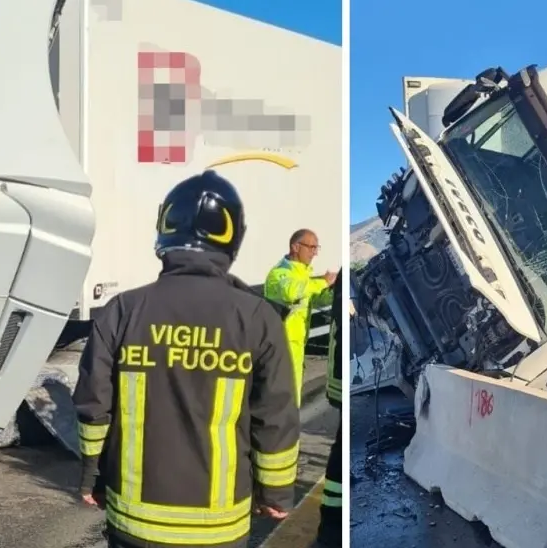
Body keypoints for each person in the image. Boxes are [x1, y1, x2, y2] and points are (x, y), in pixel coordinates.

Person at [73, 170, 302, 548]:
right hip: (219, 527)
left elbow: (93, 408)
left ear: (165, 230)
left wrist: (91, 477)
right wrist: (276, 492)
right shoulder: (258, 318)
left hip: (135, 523)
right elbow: (275, 415)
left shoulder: (122, 311)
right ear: (233, 238)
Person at [264, 229, 336, 405]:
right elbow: (291, 292)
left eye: (316, 248)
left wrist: (332, 291)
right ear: (295, 247)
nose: (314, 253)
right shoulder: (279, 273)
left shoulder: (302, 274)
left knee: (292, 392)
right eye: (311, 247)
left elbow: (313, 300)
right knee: (281, 393)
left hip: (296, 344)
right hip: (281, 344)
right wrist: (323, 281)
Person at [313, 273, 347, 548]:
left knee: (340, 449)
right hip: (340, 378)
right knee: (340, 451)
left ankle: (330, 530)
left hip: (339, 376)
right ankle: (330, 532)